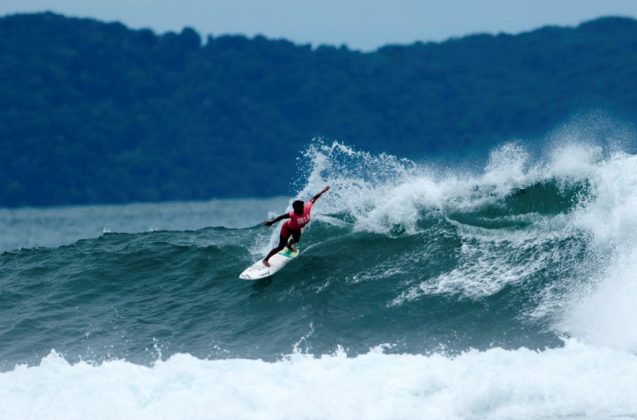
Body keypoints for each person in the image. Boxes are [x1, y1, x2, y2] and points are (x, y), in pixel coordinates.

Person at [262, 186, 330, 267]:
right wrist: (272, 222)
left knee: (296, 241)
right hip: (287, 228)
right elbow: (282, 217)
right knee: (280, 247)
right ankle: (265, 259)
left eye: (297, 209)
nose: (295, 210)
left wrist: (323, 191)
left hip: (296, 230)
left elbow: (315, 197)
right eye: (294, 209)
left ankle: (289, 245)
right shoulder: (292, 214)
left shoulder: (307, 207)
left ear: (301, 207)